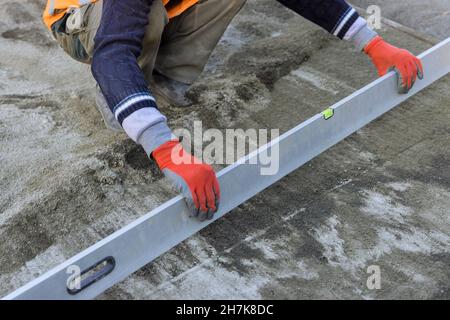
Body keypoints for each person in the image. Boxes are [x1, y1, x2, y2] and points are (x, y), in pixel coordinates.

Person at [42, 0, 424, 221]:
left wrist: (372, 43)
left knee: (158, 12)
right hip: (83, 19)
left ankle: (161, 77)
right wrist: (166, 150)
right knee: (144, 21)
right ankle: (121, 97)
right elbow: (112, 50)